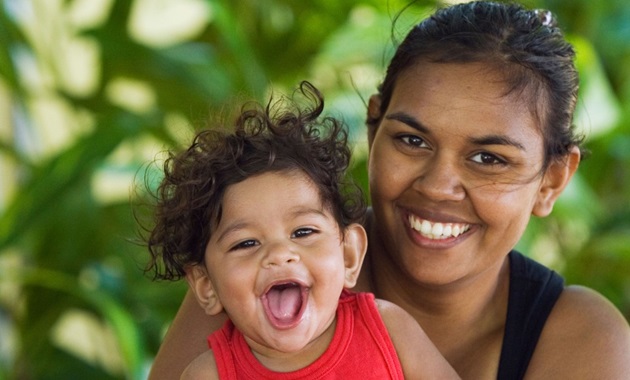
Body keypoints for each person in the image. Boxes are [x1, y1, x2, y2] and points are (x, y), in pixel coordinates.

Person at [148, 2, 630, 379]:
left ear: (552, 180)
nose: (439, 185)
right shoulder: (262, 277)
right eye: (412, 140)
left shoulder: (580, 335)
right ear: (373, 125)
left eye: (489, 158)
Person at [143, 81, 460, 379]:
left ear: (348, 255)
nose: (280, 254)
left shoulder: (388, 331)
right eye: (246, 243)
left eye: (303, 232)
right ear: (206, 286)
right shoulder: (209, 375)